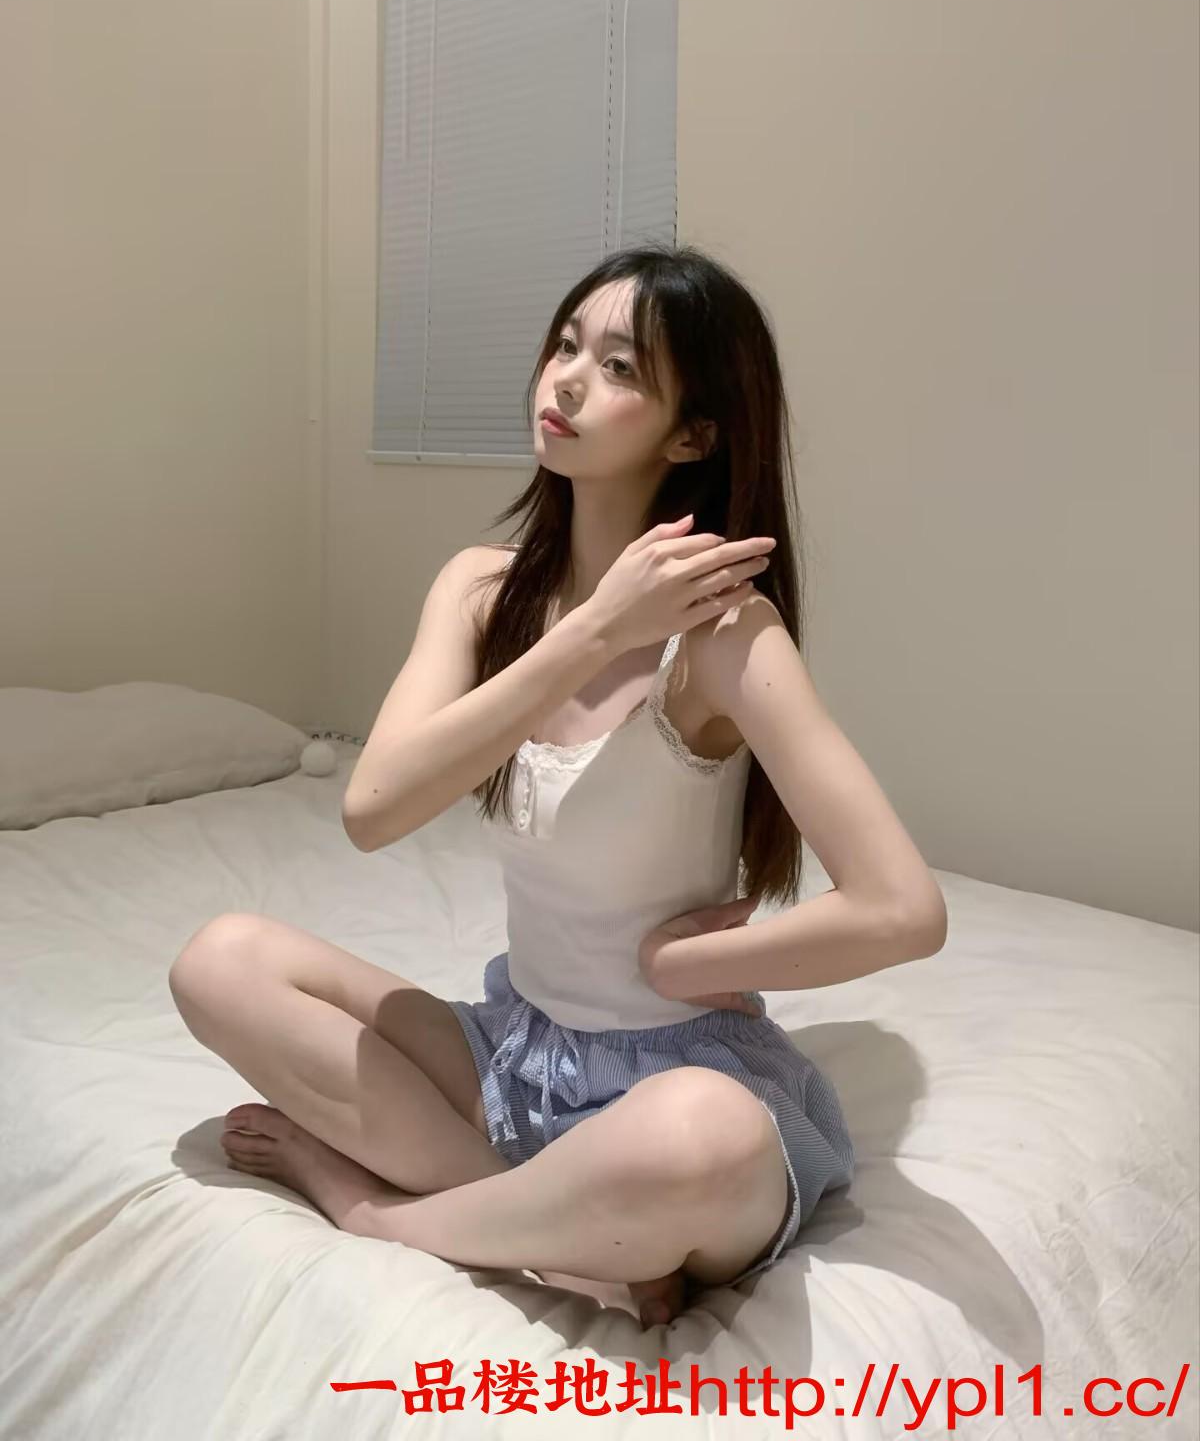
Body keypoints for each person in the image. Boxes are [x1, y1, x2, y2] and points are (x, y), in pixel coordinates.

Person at [170, 243, 945, 1331]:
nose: (568, 380)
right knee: (220, 962)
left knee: (701, 1139)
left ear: (693, 435)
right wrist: (594, 632)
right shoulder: (482, 590)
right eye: (567, 346)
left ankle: (384, 1212)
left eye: (619, 367)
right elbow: (373, 809)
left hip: (670, 1078)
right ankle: (551, 1224)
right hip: (515, 1052)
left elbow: (904, 909)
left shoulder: (727, 633)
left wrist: (686, 963)